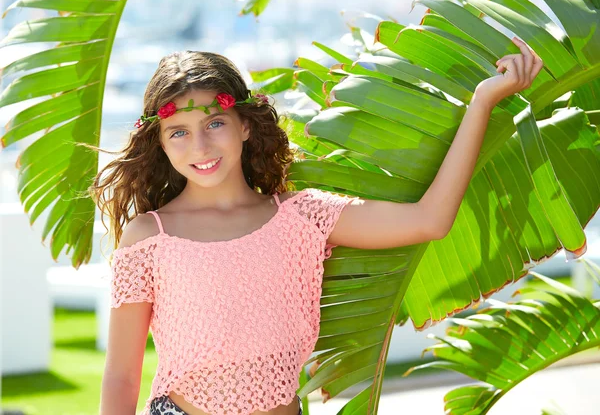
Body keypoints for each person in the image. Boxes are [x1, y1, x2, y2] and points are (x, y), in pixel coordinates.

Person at [97, 44, 543, 415]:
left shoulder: (303, 218)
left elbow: (430, 219)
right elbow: (121, 376)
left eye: (215, 123)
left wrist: (483, 101)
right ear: (159, 141)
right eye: (179, 132)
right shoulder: (150, 238)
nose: (201, 145)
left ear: (246, 126)